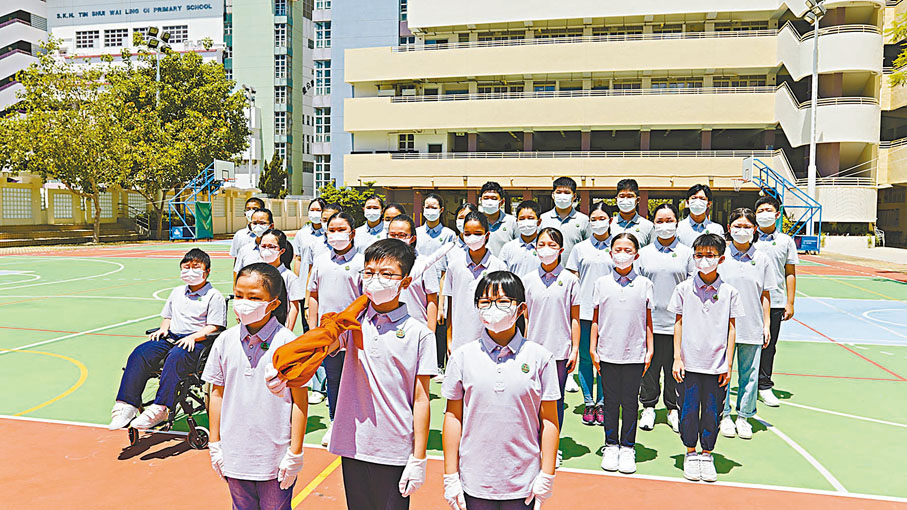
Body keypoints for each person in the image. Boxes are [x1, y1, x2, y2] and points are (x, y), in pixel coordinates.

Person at [327, 239, 436, 510]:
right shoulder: (353, 324)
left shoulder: (419, 334)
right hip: (354, 444)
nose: (376, 280)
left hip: (394, 448)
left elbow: (421, 399)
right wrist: (340, 322)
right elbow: (324, 345)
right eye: (369, 272)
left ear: (405, 282)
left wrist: (419, 457)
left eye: (386, 274)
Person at [442, 271, 560, 510]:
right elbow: (453, 417)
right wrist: (450, 475)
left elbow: (549, 420)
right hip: (475, 480)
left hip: (523, 482)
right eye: (485, 302)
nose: (493, 308)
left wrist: (547, 474)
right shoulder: (462, 357)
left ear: (521, 308)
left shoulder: (540, 358)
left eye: (503, 301)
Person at [203, 263, 309, 510]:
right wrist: (215, 443)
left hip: (274, 458)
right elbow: (216, 394)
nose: (244, 303)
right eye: (238, 295)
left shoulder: (289, 344)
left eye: (254, 297)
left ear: (273, 303)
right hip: (235, 454)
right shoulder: (225, 341)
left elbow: (300, 401)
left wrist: (295, 452)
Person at [109, 248, 227, 430]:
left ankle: (161, 407)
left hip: (197, 341)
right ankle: (126, 405)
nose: (190, 271)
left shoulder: (214, 296)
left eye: (196, 267)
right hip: (172, 337)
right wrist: (163, 329)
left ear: (207, 271)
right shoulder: (177, 292)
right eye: (186, 267)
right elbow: (168, 317)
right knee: (140, 353)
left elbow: (214, 326)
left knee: (176, 357)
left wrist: (194, 337)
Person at [669, 234, 744, 483]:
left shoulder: (730, 292)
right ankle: (690, 452)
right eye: (699, 255)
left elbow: (732, 329)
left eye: (710, 255)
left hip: (716, 365)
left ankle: (707, 453)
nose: (704, 260)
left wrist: (728, 363)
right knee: (688, 411)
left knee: (712, 412)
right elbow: (678, 323)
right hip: (689, 363)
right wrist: (677, 358)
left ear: (721, 259)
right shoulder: (683, 289)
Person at [590, 233, 654, 474]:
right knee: (610, 401)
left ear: (636, 255)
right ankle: (610, 444)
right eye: (618, 249)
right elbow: (596, 319)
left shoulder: (645, 284)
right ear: (610, 253)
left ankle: (627, 446)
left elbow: (648, 320)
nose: (622, 254)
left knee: (629, 402)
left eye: (628, 250)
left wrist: (650, 349)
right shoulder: (601, 283)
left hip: (634, 353)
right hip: (607, 353)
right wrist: (593, 348)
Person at [636, 203, 694, 433]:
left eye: (669, 220)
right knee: (649, 370)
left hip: (677, 324)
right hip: (649, 323)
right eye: (659, 221)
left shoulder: (687, 253)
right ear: (653, 224)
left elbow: (692, 286)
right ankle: (648, 407)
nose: (664, 225)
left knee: (674, 370)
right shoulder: (644, 253)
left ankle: (673, 409)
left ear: (677, 223)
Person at [308, 211, 364, 447]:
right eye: (332, 230)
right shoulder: (321, 261)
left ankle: (358, 424)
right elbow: (313, 294)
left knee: (357, 380)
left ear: (352, 232)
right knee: (333, 379)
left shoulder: (362, 262)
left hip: (355, 334)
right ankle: (335, 423)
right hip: (328, 334)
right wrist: (313, 329)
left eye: (342, 230)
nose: (336, 234)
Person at [719, 208, 773, 440]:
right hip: (722, 327)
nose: (742, 231)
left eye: (747, 227)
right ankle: (723, 415)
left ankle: (744, 416)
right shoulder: (721, 256)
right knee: (722, 372)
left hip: (752, 324)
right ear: (729, 228)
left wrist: (766, 325)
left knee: (750, 374)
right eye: (737, 226)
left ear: (755, 229)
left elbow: (765, 295)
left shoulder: (762, 259)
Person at [521, 227, 579, 440]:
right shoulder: (528, 280)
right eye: (542, 245)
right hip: (533, 350)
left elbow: (574, 318)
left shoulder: (570, 280)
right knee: (531, 398)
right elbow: (526, 317)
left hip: (559, 352)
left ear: (561, 250)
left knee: (555, 399)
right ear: (535, 249)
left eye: (552, 245)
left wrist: (574, 349)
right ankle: (532, 442)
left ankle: (552, 445)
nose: (546, 249)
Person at [565, 202, 614, 426]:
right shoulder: (580, 248)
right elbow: (572, 278)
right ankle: (588, 402)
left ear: (610, 221)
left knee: (604, 360)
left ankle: (603, 403)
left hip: (610, 313)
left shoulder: (618, 246)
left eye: (602, 218)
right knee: (585, 358)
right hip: (585, 311)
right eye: (594, 219)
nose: (597, 223)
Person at [753, 195, 798, 407]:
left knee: (768, 345)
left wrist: (790, 302)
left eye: (768, 210)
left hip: (775, 302)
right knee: (741, 345)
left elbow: (790, 272)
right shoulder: (748, 238)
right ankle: (745, 384)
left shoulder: (785, 241)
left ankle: (764, 385)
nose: (764, 214)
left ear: (777, 214)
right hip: (748, 301)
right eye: (760, 211)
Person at [443, 211, 507, 354]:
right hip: (460, 340)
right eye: (467, 233)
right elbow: (451, 305)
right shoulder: (454, 266)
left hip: (491, 340)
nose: (472, 237)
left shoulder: (499, 267)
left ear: (487, 235)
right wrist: (449, 338)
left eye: (478, 233)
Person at [388, 215, 440, 331]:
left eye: (402, 235)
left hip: (418, 327)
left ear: (412, 238)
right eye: (392, 235)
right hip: (389, 327)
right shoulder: (383, 263)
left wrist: (430, 332)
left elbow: (432, 300)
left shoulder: (424, 263)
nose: (396, 239)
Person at [260, 229, 306, 331]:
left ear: (281, 251)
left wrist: (288, 330)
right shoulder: (255, 273)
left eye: (271, 247)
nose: (266, 250)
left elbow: (294, 307)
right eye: (263, 246)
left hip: (278, 328)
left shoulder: (289, 276)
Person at [540, 176, 590, 261]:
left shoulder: (584, 220)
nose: (562, 196)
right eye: (558, 192)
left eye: (567, 193)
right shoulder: (542, 219)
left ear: (574, 196)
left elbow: (589, 247)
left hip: (575, 268)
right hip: (548, 267)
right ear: (553, 195)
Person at [499, 200, 542, 277]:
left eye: (530, 218)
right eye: (522, 218)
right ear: (517, 222)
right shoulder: (508, 248)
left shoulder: (545, 248)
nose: (526, 222)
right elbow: (501, 275)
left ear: (539, 222)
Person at [234, 208, 275, 280]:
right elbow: (237, 273)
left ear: (271, 226)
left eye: (262, 223)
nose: (258, 226)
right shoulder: (245, 250)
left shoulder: (279, 249)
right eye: (255, 223)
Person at [610, 179, 654, 246]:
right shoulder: (608, 225)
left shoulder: (648, 226)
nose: (625, 200)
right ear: (616, 200)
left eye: (630, 196)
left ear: (638, 200)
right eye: (622, 196)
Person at [479, 181, 518, 256]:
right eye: (486, 198)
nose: (489, 201)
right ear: (481, 200)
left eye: (494, 198)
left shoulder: (512, 222)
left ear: (502, 202)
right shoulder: (475, 221)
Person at [416, 193, 457, 259]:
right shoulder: (416, 233)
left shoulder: (449, 234)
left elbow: (452, 258)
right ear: (423, 208)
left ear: (441, 210)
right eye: (427, 207)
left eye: (434, 208)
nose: (430, 210)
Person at [292, 198, 326, 277]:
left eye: (318, 210)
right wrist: (296, 280)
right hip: (304, 279)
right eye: (312, 210)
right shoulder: (301, 234)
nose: (315, 213)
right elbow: (298, 259)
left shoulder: (329, 234)